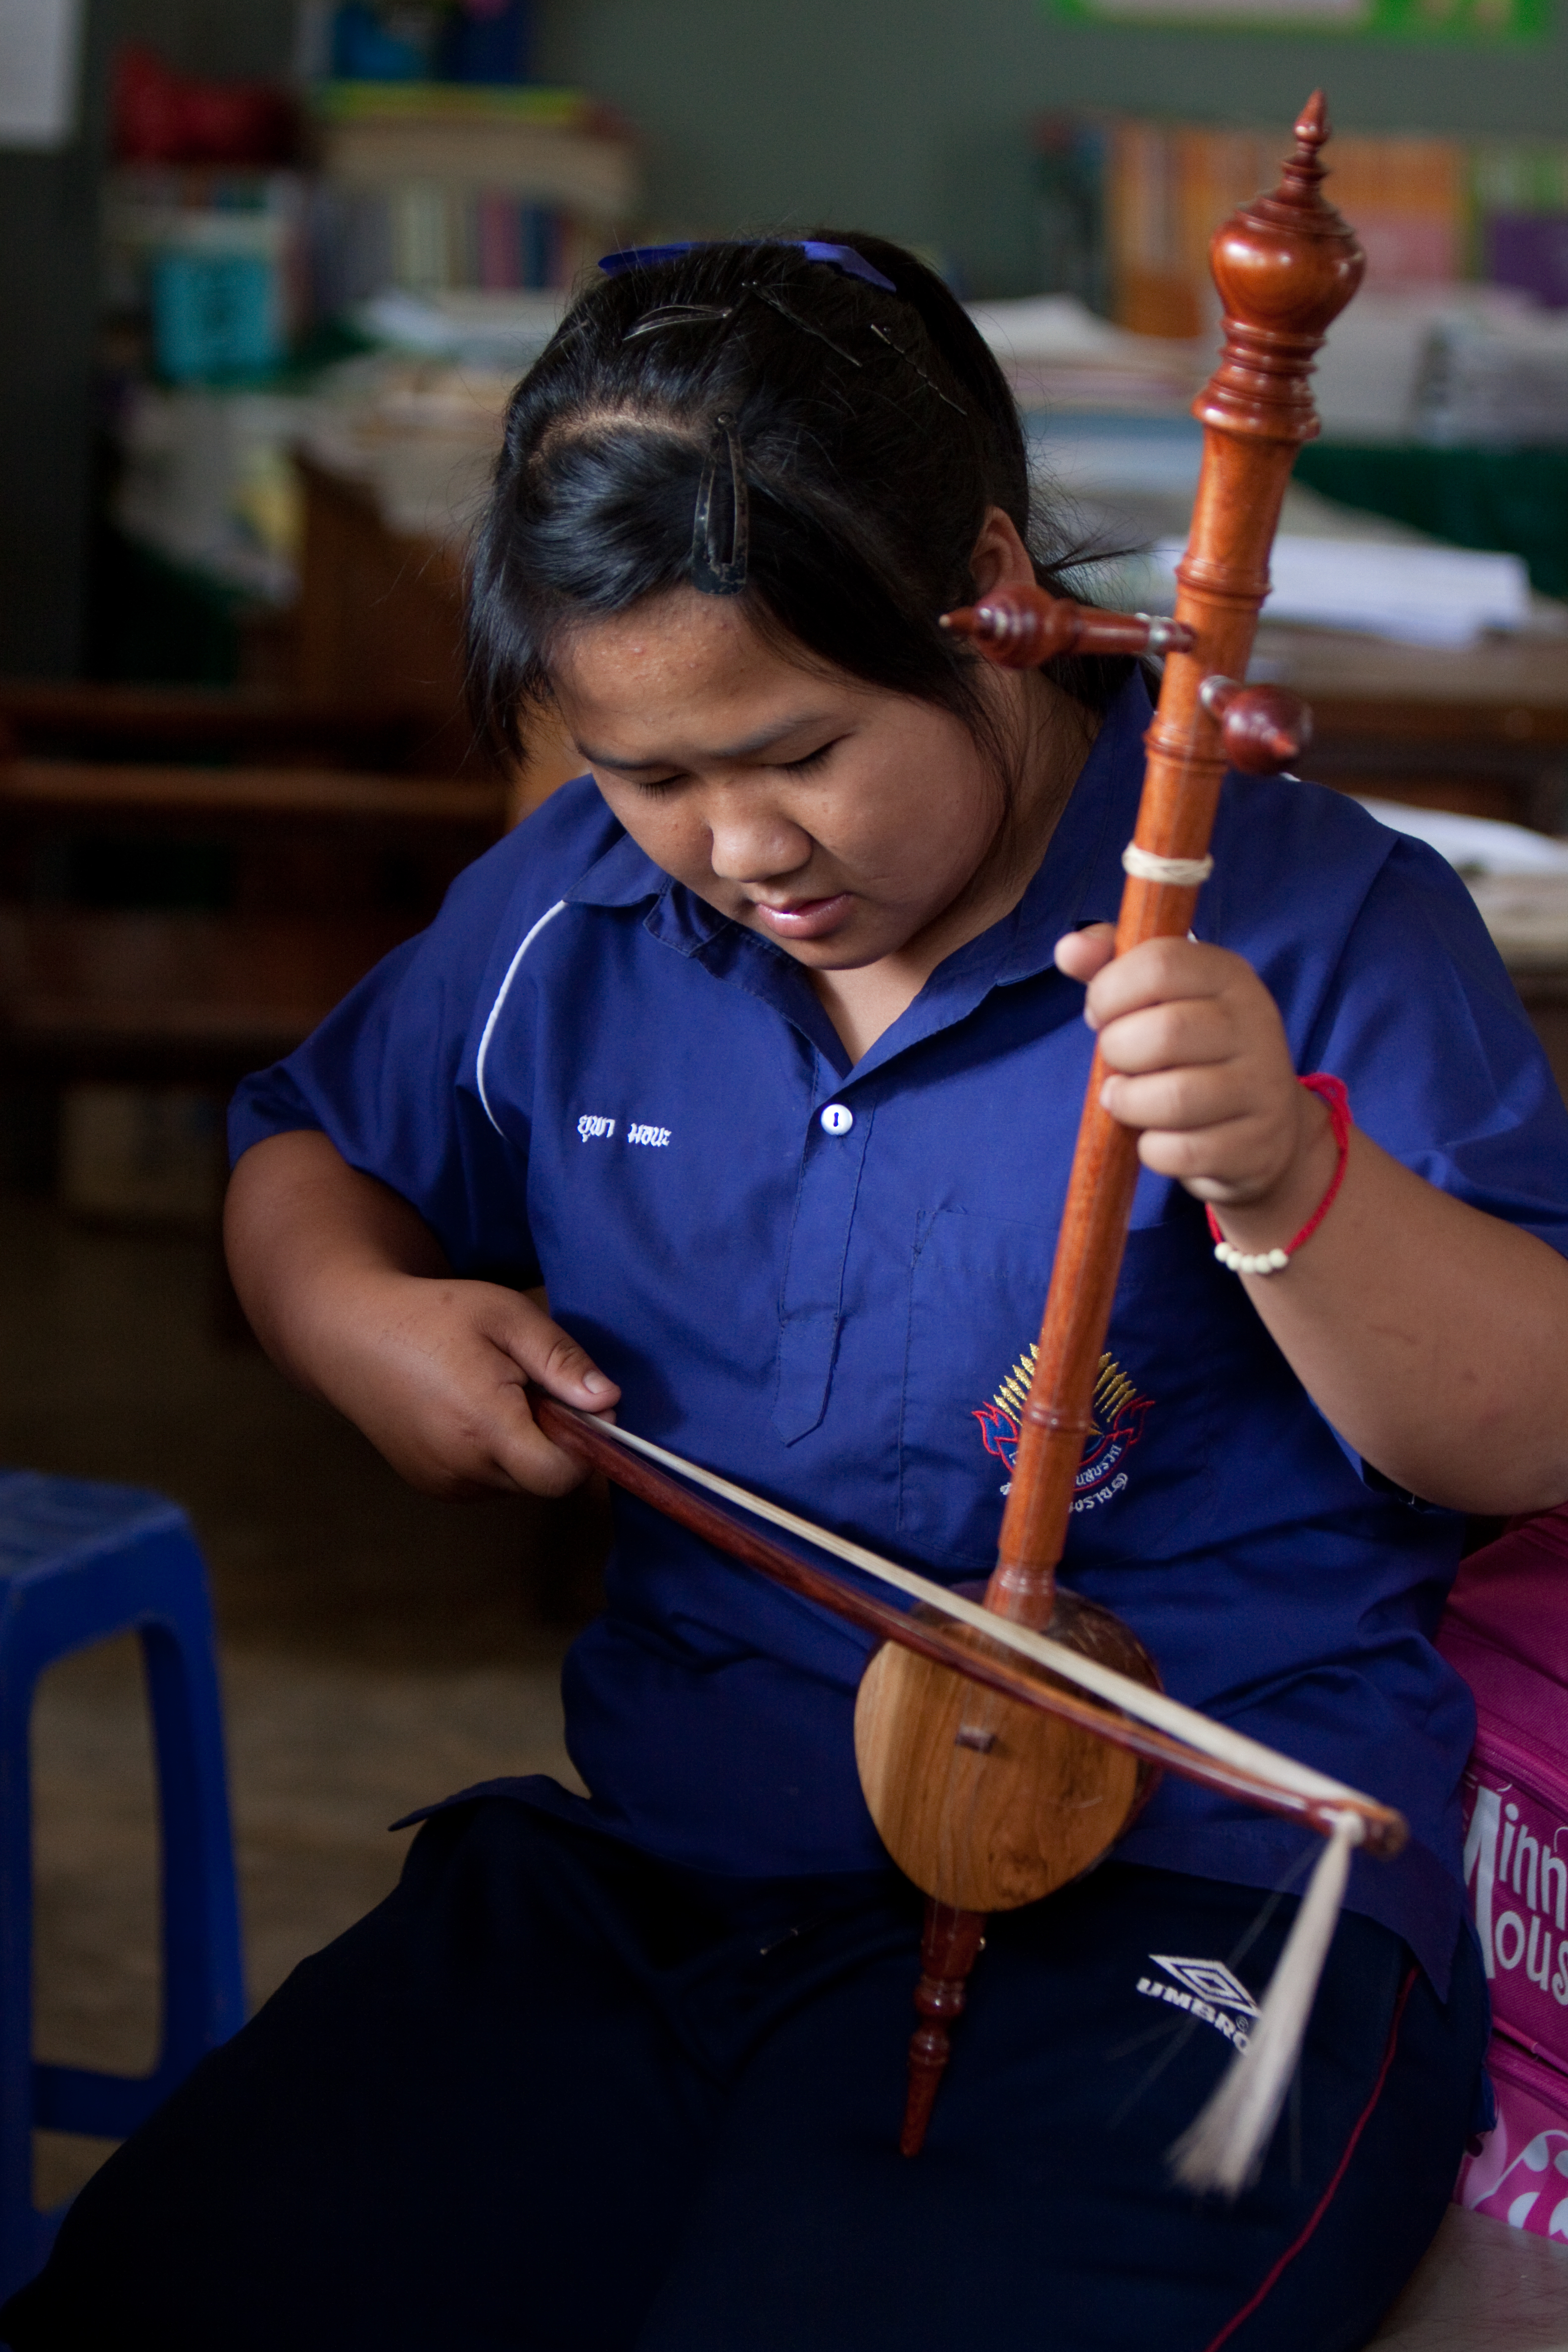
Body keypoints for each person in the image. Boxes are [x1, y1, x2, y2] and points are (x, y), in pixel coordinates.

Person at [8, 234, 1568, 2352]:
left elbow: (1520, 1425)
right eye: (651, 776)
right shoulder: (575, 919)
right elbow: (312, 1150)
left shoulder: (1317, 921)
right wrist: (355, 1323)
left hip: (1189, 1896)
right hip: (684, 1860)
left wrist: (1288, 1172)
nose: (739, 841)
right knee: (188, 2298)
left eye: (801, 747)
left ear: (999, 595)